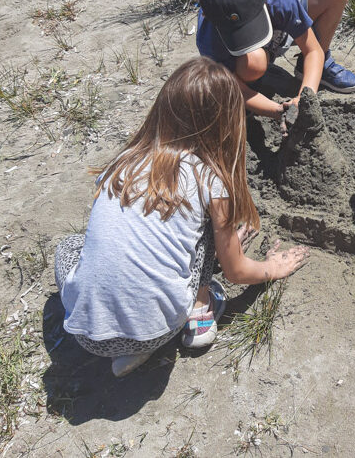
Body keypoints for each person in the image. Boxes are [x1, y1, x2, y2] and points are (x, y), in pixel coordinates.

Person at [54, 57, 310, 377]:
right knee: (204, 229)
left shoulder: (123, 161)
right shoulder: (209, 179)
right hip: (157, 328)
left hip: (86, 336)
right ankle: (199, 318)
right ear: (226, 124)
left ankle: (130, 347)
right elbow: (236, 272)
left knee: (69, 246)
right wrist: (273, 267)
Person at [195, 0, 355, 121]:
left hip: (279, 31)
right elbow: (235, 87)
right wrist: (277, 111)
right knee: (253, 64)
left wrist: (306, 97)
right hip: (247, 61)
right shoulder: (208, 38)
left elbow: (312, 50)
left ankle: (315, 69)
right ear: (207, 17)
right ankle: (252, 89)